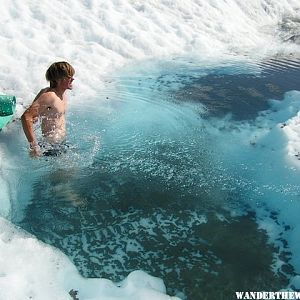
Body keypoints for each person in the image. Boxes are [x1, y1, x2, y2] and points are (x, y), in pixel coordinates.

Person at [21, 61, 75, 156]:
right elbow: (26, 117)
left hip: (60, 144)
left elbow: (34, 113)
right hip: (51, 148)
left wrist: (35, 116)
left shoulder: (58, 94)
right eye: (69, 77)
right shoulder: (50, 96)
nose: (73, 79)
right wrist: (34, 146)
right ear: (58, 79)